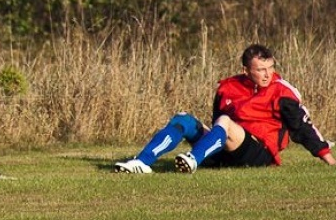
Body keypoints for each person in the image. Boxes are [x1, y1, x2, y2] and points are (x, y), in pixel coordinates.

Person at [115, 44, 335, 174]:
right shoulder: (228, 87)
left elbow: (303, 127)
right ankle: (142, 162)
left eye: (270, 68)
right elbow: (216, 124)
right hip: (230, 147)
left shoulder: (281, 92)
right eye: (261, 69)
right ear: (246, 70)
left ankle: (193, 159)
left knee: (225, 123)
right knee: (183, 119)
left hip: (261, 152)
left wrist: (328, 158)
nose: (267, 74)